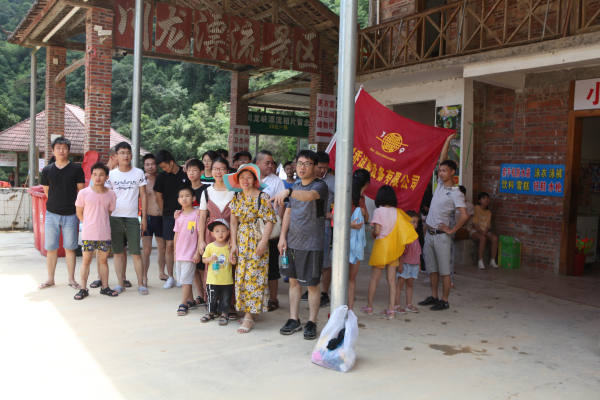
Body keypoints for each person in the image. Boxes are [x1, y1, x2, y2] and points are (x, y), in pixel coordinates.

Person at [271, 150, 328, 340]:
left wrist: (289, 192)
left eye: (307, 164)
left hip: (312, 243)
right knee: (293, 282)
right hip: (292, 242)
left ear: (315, 167)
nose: (302, 167)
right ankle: (293, 319)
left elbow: (309, 196)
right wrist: (282, 237)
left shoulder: (320, 185)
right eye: (299, 163)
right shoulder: (295, 185)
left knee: (312, 285)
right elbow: (288, 212)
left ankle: (312, 321)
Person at [227, 164, 276, 334]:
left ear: (255, 179)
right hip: (241, 241)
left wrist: (263, 241)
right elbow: (234, 222)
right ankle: (251, 311)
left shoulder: (263, 196)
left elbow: (270, 220)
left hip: (257, 240)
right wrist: (234, 244)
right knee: (242, 276)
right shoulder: (237, 197)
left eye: (249, 177)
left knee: (255, 277)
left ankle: (249, 317)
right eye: (242, 177)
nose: (245, 180)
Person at [418, 159, 469, 311]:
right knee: (432, 269)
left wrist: (452, 231)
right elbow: (443, 158)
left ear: (452, 172)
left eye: (444, 171)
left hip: (442, 236)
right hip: (430, 234)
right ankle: (434, 296)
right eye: (440, 170)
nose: (441, 173)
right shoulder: (440, 184)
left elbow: (464, 216)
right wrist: (445, 144)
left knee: (445, 271)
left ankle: (445, 300)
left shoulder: (456, 193)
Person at [363, 185, 418, 319]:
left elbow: (377, 231)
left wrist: (373, 233)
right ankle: (391, 309)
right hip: (394, 248)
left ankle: (369, 307)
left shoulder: (378, 211)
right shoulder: (397, 212)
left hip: (381, 248)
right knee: (392, 280)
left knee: (374, 279)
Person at [38, 137, 85, 290]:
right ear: (53, 150)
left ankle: (71, 279)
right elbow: (47, 192)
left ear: (68, 150)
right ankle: (50, 279)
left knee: (70, 248)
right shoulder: (47, 170)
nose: (61, 150)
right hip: (52, 213)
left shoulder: (76, 169)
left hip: (71, 214)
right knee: (51, 247)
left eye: (64, 147)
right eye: (58, 147)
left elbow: (81, 193)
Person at [105, 142, 148, 295]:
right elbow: (106, 197)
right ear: (116, 156)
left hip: (132, 218)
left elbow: (143, 196)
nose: (126, 155)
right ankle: (120, 283)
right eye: (122, 153)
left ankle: (141, 284)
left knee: (136, 253)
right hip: (115, 218)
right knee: (117, 253)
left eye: (128, 152)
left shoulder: (138, 173)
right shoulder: (111, 174)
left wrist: (143, 217)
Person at [196, 157, 236, 318]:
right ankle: (212, 306)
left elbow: (236, 218)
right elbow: (202, 217)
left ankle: (230, 305)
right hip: (211, 235)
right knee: (212, 268)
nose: (218, 172)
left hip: (230, 234)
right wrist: (201, 240)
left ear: (227, 171)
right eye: (215, 169)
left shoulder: (234, 191)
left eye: (222, 169)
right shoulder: (206, 192)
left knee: (230, 267)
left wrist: (234, 239)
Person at [74, 162, 118, 299]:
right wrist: (88, 223)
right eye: (95, 174)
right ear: (91, 176)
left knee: (103, 261)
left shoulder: (111, 194)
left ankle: (105, 287)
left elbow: (108, 213)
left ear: (107, 177)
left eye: (101, 175)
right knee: (86, 261)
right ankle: (83, 289)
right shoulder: (83, 193)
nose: (98, 177)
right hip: (88, 233)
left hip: (104, 233)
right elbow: (79, 212)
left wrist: (100, 223)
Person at [301, 151, 336, 308]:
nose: (323, 170)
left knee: (324, 261)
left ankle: (324, 293)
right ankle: (311, 288)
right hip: (305, 226)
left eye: (325, 167)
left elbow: (344, 201)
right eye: (320, 167)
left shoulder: (332, 181)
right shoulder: (305, 180)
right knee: (309, 260)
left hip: (324, 227)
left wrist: (333, 215)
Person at [154, 150, 191, 289]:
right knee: (169, 246)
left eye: (164, 166)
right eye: (161, 167)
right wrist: (167, 213)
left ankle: (182, 276)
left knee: (185, 246)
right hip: (169, 216)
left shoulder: (186, 173)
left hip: (187, 215)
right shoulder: (161, 177)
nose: (163, 169)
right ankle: (171, 277)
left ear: (171, 162)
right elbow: (158, 197)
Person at [255, 150, 286, 312]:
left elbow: (281, 204)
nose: (270, 165)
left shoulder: (276, 181)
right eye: (267, 162)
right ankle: (256, 298)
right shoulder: (250, 179)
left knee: (272, 267)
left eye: (271, 163)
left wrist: (278, 223)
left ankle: (273, 299)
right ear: (257, 163)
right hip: (252, 231)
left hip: (271, 229)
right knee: (254, 265)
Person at [201, 219, 236, 325]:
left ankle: (224, 314)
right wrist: (210, 259)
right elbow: (204, 259)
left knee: (226, 298)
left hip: (226, 280)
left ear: (228, 232)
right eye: (217, 231)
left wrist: (233, 261)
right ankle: (211, 312)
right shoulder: (210, 246)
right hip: (213, 279)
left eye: (223, 231)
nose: (220, 233)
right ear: (212, 234)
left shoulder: (230, 247)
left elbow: (234, 261)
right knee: (212, 297)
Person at [173, 187, 201, 316]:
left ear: (193, 198)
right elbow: (176, 235)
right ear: (178, 200)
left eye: (187, 196)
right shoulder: (178, 216)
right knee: (184, 279)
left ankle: (183, 304)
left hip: (190, 254)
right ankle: (191, 301)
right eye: (181, 196)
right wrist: (175, 253)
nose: (184, 198)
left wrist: (197, 252)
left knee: (186, 280)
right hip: (180, 254)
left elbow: (199, 235)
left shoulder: (197, 215)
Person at [141, 154, 167, 284]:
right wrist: (143, 218)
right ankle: (144, 276)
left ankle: (162, 272)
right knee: (146, 250)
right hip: (148, 218)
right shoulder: (143, 182)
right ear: (144, 166)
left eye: (152, 164)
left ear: (157, 165)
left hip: (161, 218)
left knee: (162, 249)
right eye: (147, 164)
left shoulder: (163, 179)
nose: (150, 166)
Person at [347, 169, 371, 312]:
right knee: (350, 278)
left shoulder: (362, 198)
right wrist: (349, 225)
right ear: (367, 184)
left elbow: (366, 219)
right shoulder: (346, 195)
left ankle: (348, 310)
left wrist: (364, 213)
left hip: (354, 242)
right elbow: (336, 218)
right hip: (345, 241)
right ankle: (347, 309)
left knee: (349, 277)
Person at [185, 158, 207, 303]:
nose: (191, 173)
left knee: (202, 267)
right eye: (189, 170)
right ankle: (200, 295)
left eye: (194, 170)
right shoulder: (185, 190)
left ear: (202, 172)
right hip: (190, 231)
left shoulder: (207, 190)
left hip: (204, 232)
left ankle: (208, 295)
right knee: (193, 266)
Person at [394, 211, 422, 313]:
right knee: (400, 284)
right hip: (405, 264)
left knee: (410, 284)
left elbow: (418, 251)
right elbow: (401, 252)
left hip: (414, 264)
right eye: (413, 222)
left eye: (417, 222)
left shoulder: (415, 236)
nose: (415, 225)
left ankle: (408, 304)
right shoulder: (404, 235)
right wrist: (400, 265)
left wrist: (419, 264)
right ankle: (396, 304)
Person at [449, 185, 475, 287]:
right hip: (452, 227)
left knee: (452, 236)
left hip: (464, 228)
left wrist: (454, 228)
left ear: (463, 194)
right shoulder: (452, 203)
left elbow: (465, 220)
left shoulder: (469, 206)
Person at [470, 192, 499, 269]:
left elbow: (488, 225)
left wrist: (485, 232)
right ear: (479, 201)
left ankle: (492, 260)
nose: (486, 200)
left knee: (495, 238)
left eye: (487, 198)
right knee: (483, 238)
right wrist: (481, 231)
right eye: (483, 198)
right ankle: (480, 260)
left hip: (484, 231)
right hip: (475, 231)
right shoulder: (476, 208)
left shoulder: (488, 212)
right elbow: (475, 223)